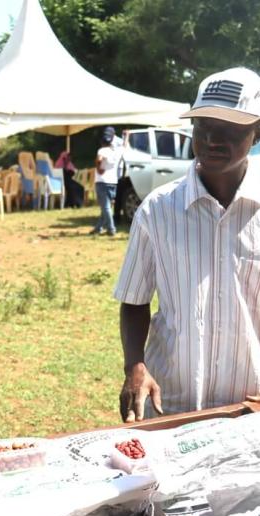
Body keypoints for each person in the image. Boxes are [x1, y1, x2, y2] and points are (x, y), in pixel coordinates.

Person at [114, 67, 260, 421]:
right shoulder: (158, 210)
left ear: (256, 133)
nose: (212, 139)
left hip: (250, 403)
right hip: (171, 401)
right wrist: (135, 366)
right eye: (203, 126)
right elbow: (135, 301)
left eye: (229, 128)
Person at [90, 126, 120, 236]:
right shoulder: (115, 152)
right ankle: (98, 228)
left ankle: (111, 229)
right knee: (106, 206)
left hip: (102, 181)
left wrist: (99, 168)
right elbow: (125, 147)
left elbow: (99, 159)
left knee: (106, 207)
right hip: (113, 181)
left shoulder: (102, 150)